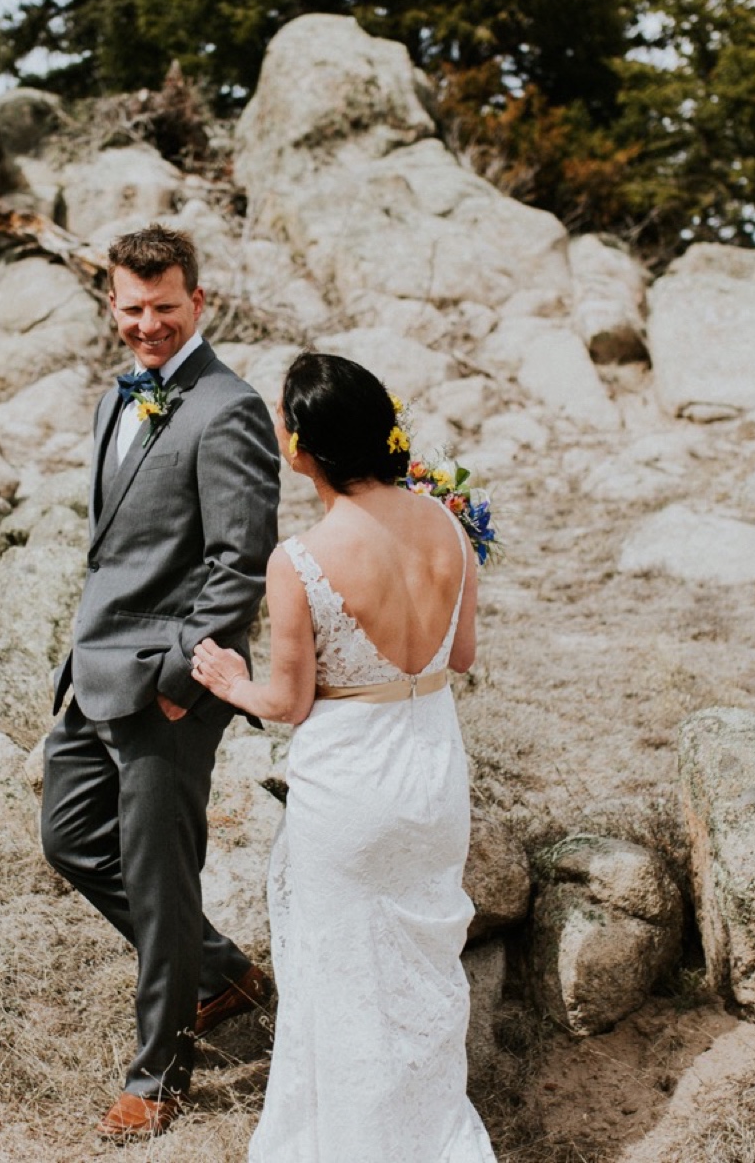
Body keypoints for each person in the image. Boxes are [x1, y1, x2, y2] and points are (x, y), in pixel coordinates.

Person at [191, 351, 495, 1163]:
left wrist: (228, 678)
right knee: (422, 973)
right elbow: (459, 656)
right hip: (432, 772)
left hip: (353, 785)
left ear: (301, 448)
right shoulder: (449, 526)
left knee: (344, 981)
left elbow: (288, 703)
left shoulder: (301, 559)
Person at [41, 224, 281, 1143]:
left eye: (165, 309)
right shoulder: (117, 398)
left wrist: (184, 679)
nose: (147, 326)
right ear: (112, 303)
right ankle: (218, 972)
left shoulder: (229, 408)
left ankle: (160, 1076)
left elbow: (239, 561)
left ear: (199, 304)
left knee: (158, 877)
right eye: (132, 309)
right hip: (92, 671)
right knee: (68, 841)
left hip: (166, 686)